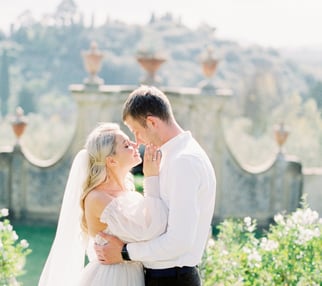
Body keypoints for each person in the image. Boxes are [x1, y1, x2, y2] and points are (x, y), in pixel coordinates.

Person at [95, 85, 217, 286]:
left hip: (173, 279)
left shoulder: (184, 161)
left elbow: (179, 241)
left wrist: (124, 252)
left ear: (151, 122)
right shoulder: (172, 156)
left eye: (136, 131)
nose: (138, 141)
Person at [38, 122, 167, 286]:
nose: (135, 145)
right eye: (126, 145)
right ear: (111, 161)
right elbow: (149, 231)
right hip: (111, 279)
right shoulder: (96, 198)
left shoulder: (129, 191)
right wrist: (151, 178)